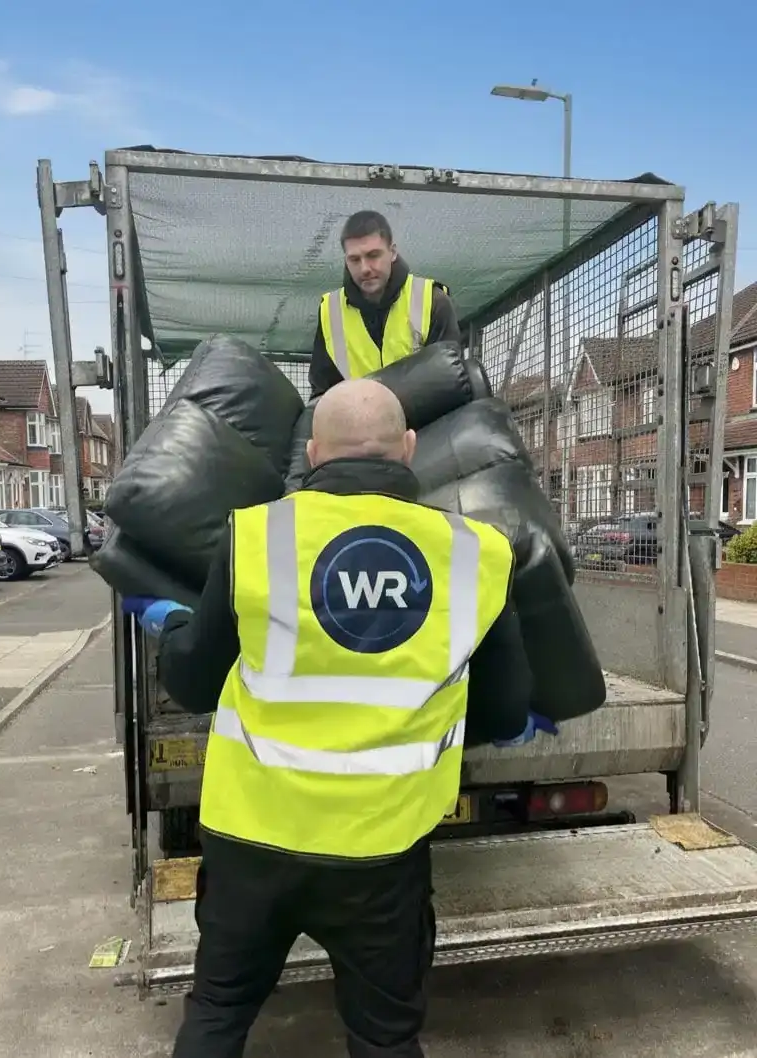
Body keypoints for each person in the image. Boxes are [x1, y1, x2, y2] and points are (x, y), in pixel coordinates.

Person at [124, 380, 554, 1057]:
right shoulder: (476, 554)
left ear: (315, 454)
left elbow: (196, 682)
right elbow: (501, 711)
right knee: (383, 1038)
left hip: (251, 841)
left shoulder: (257, 534)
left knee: (219, 1013)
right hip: (379, 854)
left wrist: (175, 625)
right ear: (409, 450)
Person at [309, 210, 462, 398]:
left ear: (393, 252)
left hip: (425, 424)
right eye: (354, 259)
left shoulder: (432, 300)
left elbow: (449, 381)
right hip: (357, 423)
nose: (364, 268)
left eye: (373, 255)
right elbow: (322, 391)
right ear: (346, 260)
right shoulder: (330, 312)